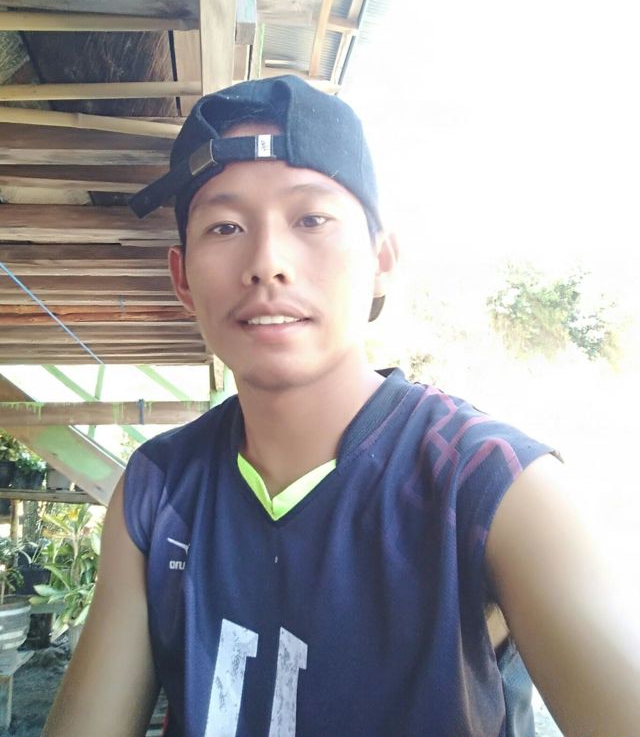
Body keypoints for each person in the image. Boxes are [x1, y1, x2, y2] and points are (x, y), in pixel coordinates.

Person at [43, 76, 640, 736]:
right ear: (182, 279)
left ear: (382, 260)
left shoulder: (494, 486)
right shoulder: (159, 492)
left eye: (311, 219)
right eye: (225, 226)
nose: (267, 262)